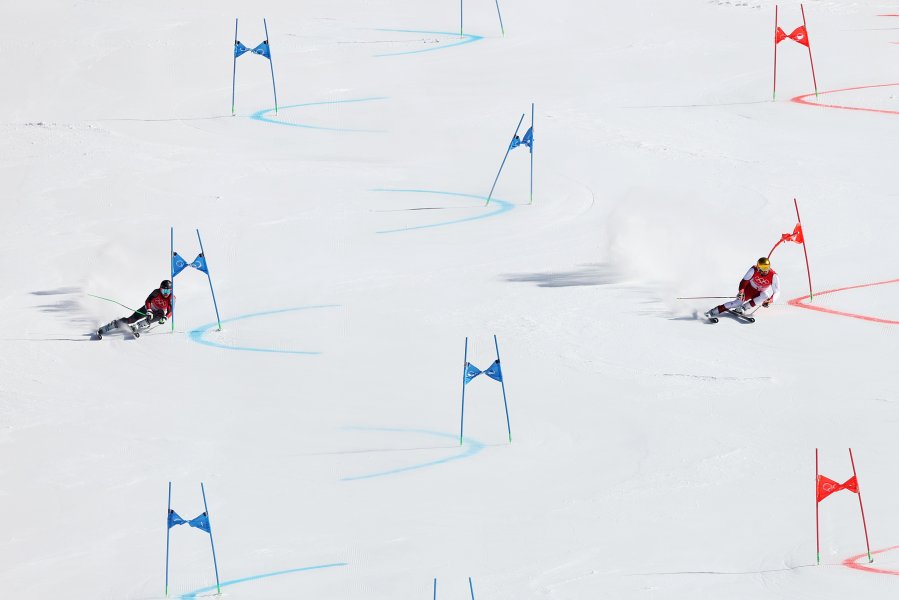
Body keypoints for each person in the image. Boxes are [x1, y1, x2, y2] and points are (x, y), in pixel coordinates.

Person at [705, 258, 780, 319]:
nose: (764, 271)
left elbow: (777, 291)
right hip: (748, 290)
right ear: (758, 267)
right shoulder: (753, 270)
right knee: (736, 303)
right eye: (762, 268)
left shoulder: (774, 276)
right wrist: (741, 291)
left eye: (766, 268)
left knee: (765, 295)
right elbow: (744, 281)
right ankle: (713, 312)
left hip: (759, 293)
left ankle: (743, 308)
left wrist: (770, 301)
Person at [97, 280, 175, 336]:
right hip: (148, 309)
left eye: (168, 291)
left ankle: (138, 325)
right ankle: (112, 325)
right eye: (164, 290)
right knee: (131, 320)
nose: (165, 293)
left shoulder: (172, 297)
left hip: (158, 312)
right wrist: (149, 310)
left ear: (171, 291)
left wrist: (165, 318)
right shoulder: (156, 292)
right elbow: (148, 300)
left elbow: (170, 310)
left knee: (161, 314)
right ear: (160, 289)